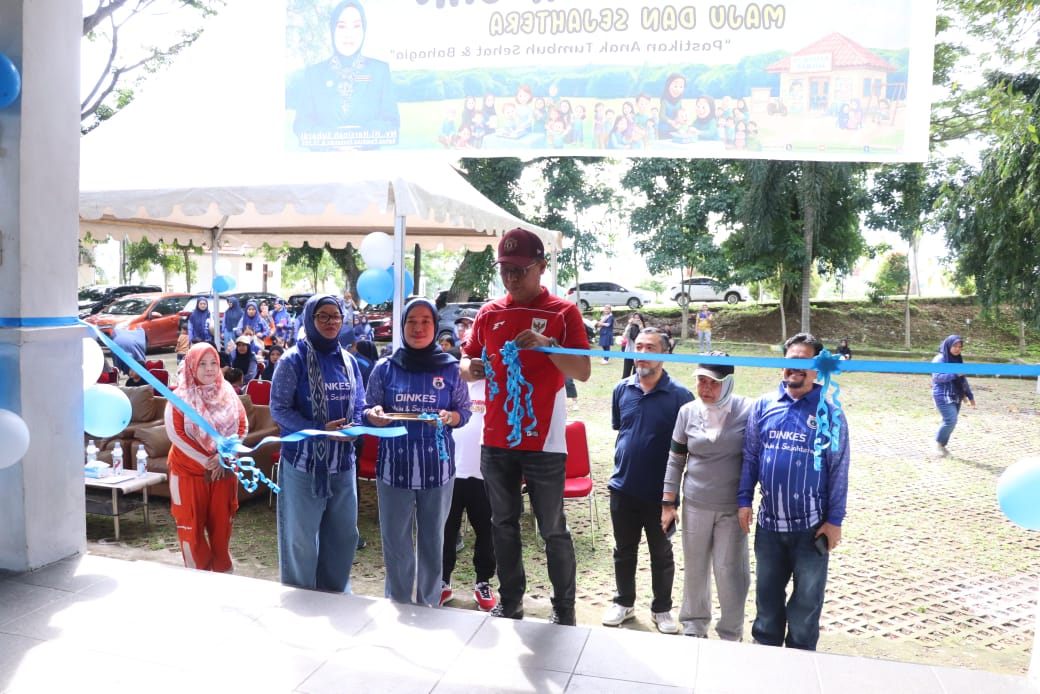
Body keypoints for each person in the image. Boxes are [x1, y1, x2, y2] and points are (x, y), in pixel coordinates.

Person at [460, 228, 592, 626]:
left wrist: (547, 344)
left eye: (520, 270)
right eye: (505, 270)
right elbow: (465, 361)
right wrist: (471, 368)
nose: (511, 278)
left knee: (552, 529)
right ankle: (511, 601)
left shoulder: (563, 312)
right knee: (502, 524)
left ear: (541, 267)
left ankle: (564, 609)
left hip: (544, 441)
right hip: (496, 438)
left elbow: (583, 370)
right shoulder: (489, 312)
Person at [738, 332, 850, 651]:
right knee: (767, 603)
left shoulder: (830, 413)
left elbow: (838, 468)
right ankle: (766, 659)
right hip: (769, 527)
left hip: (811, 530)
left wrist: (835, 521)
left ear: (817, 369)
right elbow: (751, 456)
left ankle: (801, 664)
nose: (795, 367)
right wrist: (744, 500)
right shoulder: (764, 405)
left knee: (806, 608)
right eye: (790, 360)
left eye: (804, 361)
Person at [364, 298, 471, 606]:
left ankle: (429, 603)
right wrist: (374, 414)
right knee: (395, 541)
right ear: (402, 325)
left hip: (437, 470)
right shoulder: (385, 368)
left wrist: (450, 417)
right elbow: (366, 409)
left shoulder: (450, 369)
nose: (418, 327)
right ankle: (398, 602)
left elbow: (464, 412)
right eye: (412, 321)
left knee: (433, 541)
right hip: (393, 469)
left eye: (426, 321)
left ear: (435, 326)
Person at [270, 294, 366, 592]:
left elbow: (360, 405)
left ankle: (334, 596)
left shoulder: (348, 361)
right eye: (322, 316)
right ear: (309, 319)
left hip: (342, 465)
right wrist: (318, 430)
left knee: (343, 536)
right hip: (303, 466)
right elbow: (279, 409)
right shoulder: (292, 360)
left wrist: (355, 426)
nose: (330, 322)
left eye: (335, 316)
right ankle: (301, 599)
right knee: (301, 540)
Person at [603, 327, 693, 634]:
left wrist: (672, 499)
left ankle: (662, 609)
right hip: (622, 487)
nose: (641, 353)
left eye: (650, 348)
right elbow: (622, 429)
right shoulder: (621, 389)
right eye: (638, 346)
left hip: (660, 494)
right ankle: (623, 602)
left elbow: (685, 450)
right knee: (623, 549)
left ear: (665, 354)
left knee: (661, 553)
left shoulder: (680, 396)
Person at [662, 353, 753, 640]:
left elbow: (754, 460)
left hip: (732, 508)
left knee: (730, 570)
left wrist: (747, 502)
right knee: (695, 566)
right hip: (695, 504)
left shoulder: (748, 410)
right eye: (702, 381)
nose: (706, 388)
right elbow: (676, 459)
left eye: (714, 383)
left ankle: (731, 631)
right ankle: (694, 624)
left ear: (729, 383)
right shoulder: (687, 412)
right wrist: (668, 503)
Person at [164, 342, 248, 572]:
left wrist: (224, 456)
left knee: (222, 526)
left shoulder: (228, 392)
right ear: (191, 365)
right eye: (202, 363)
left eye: (213, 363)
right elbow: (177, 435)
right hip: (188, 473)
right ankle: (197, 576)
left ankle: (222, 572)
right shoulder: (179, 397)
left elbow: (242, 425)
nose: (209, 368)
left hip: (224, 471)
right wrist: (207, 461)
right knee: (190, 526)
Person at [286, 0, 400, 150]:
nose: (349, 34)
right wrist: (334, 140)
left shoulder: (379, 71)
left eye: (356, 26)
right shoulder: (314, 74)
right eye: (342, 26)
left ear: (364, 30)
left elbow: (391, 123)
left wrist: (359, 138)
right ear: (332, 29)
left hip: (369, 162)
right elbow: (301, 125)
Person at [932, 334, 976, 457]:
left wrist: (970, 396)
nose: (957, 349)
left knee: (950, 421)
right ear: (948, 345)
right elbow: (937, 377)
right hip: (942, 395)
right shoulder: (940, 359)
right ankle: (938, 445)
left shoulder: (958, 359)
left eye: (960, 347)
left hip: (956, 396)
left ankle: (942, 446)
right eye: (955, 346)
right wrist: (954, 374)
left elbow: (963, 380)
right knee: (951, 420)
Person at [620, 312, 645, 379]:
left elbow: (644, 338)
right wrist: (629, 324)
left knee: (636, 374)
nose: (636, 320)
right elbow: (625, 336)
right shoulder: (630, 327)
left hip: (638, 354)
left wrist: (641, 326)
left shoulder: (643, 329)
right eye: (635, 318)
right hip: (629, 352)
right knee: (626, 374)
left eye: (638, 319)